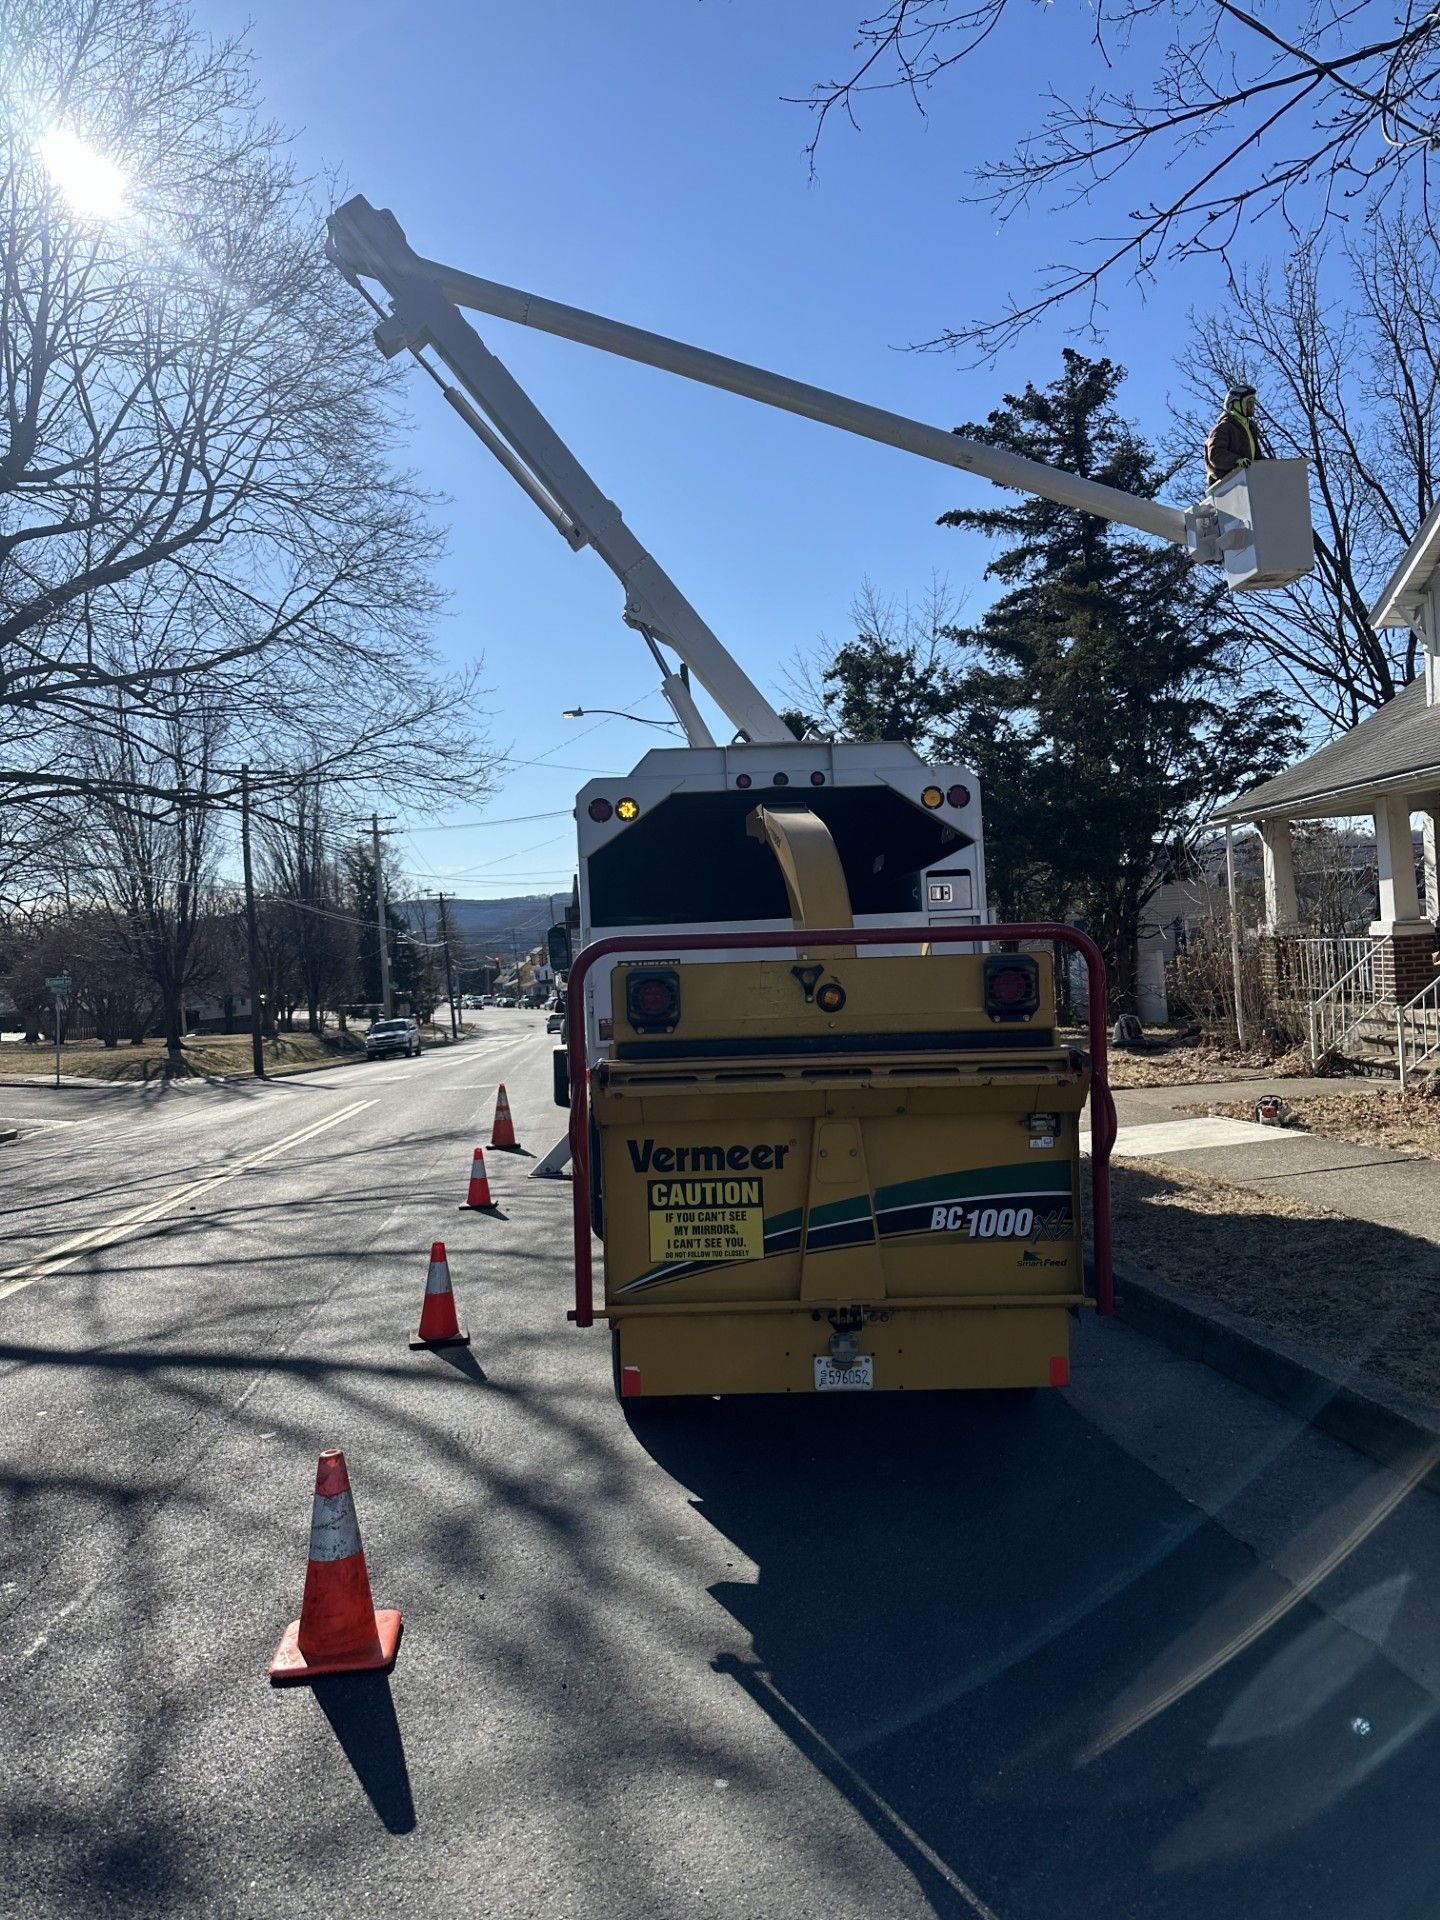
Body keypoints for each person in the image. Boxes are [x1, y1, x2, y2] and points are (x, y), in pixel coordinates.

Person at [1204, 384, 1266, 486]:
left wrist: (1270, 465)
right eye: (1249, 402)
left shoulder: (1250, 428)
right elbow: (1215, 455)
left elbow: (1256, 457)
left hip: (1249, 481)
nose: (1252, 406)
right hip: (1226, 486)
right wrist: (1236, 460)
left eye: (1253, 403)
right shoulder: (1224, 427)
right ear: (1236, 404)